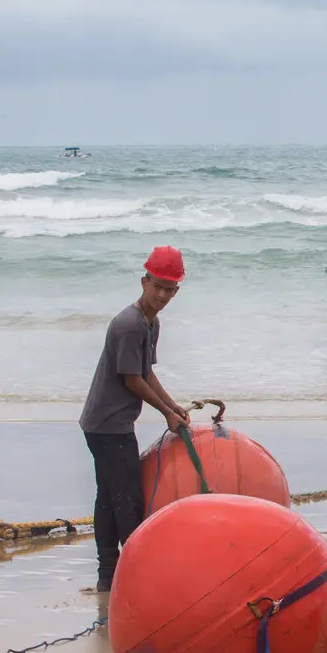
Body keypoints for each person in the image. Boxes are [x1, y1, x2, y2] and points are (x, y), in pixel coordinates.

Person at [78, 245, 192, 592]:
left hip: (110, 423)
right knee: (126, 501)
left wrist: (174, 408)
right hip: (108, 426)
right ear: (144, 281)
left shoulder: (149, 322)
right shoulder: (129, 324)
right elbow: (131, 379)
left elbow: (146, 373)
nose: (161, 295)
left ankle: (108, 578)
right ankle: (135, 576)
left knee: (109, 497)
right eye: (156, 286)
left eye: (169, 289)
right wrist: (165, 415)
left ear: (177, 290)